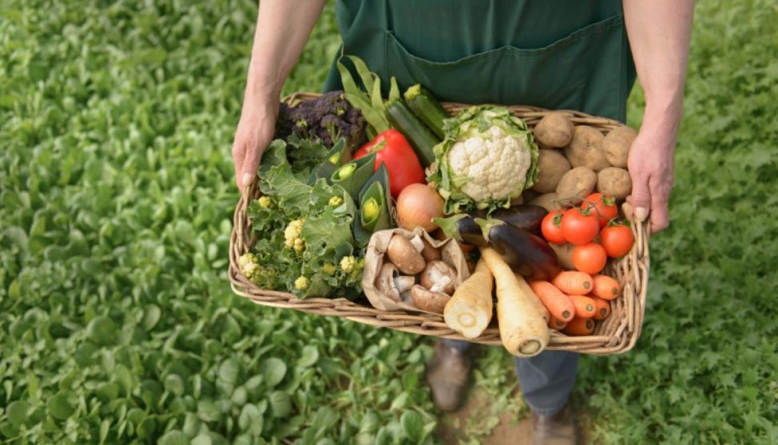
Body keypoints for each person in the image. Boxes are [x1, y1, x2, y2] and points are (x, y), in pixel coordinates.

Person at [232, 1, 695, 443]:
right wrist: (260, 93)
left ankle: (547, 400)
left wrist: (663, 114)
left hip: (557, 61)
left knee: (551, 275)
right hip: (408, 57)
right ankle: (454, 337)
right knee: (444, 256)